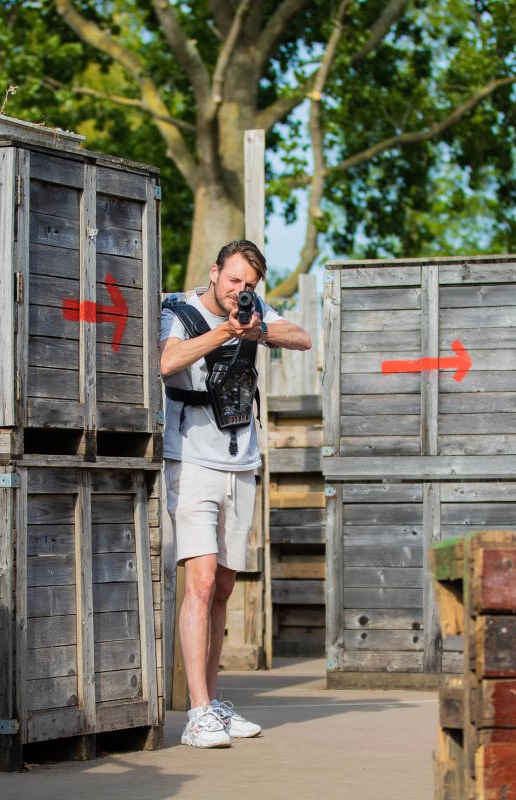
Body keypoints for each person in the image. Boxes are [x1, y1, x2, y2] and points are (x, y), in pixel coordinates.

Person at [159, 240, 312, 748]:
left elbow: (303, 337)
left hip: (241, 461)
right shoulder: (178, 310)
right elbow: (166, 362)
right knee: (199, 583)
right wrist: (226, 330)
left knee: (224, 587)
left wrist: (259, 328)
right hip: (191, 460)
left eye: (249, 286)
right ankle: (196, 712)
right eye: (233, 281)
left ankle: (215, 703)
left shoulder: (254, 311)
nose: (239, 292)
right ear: (214, 272)